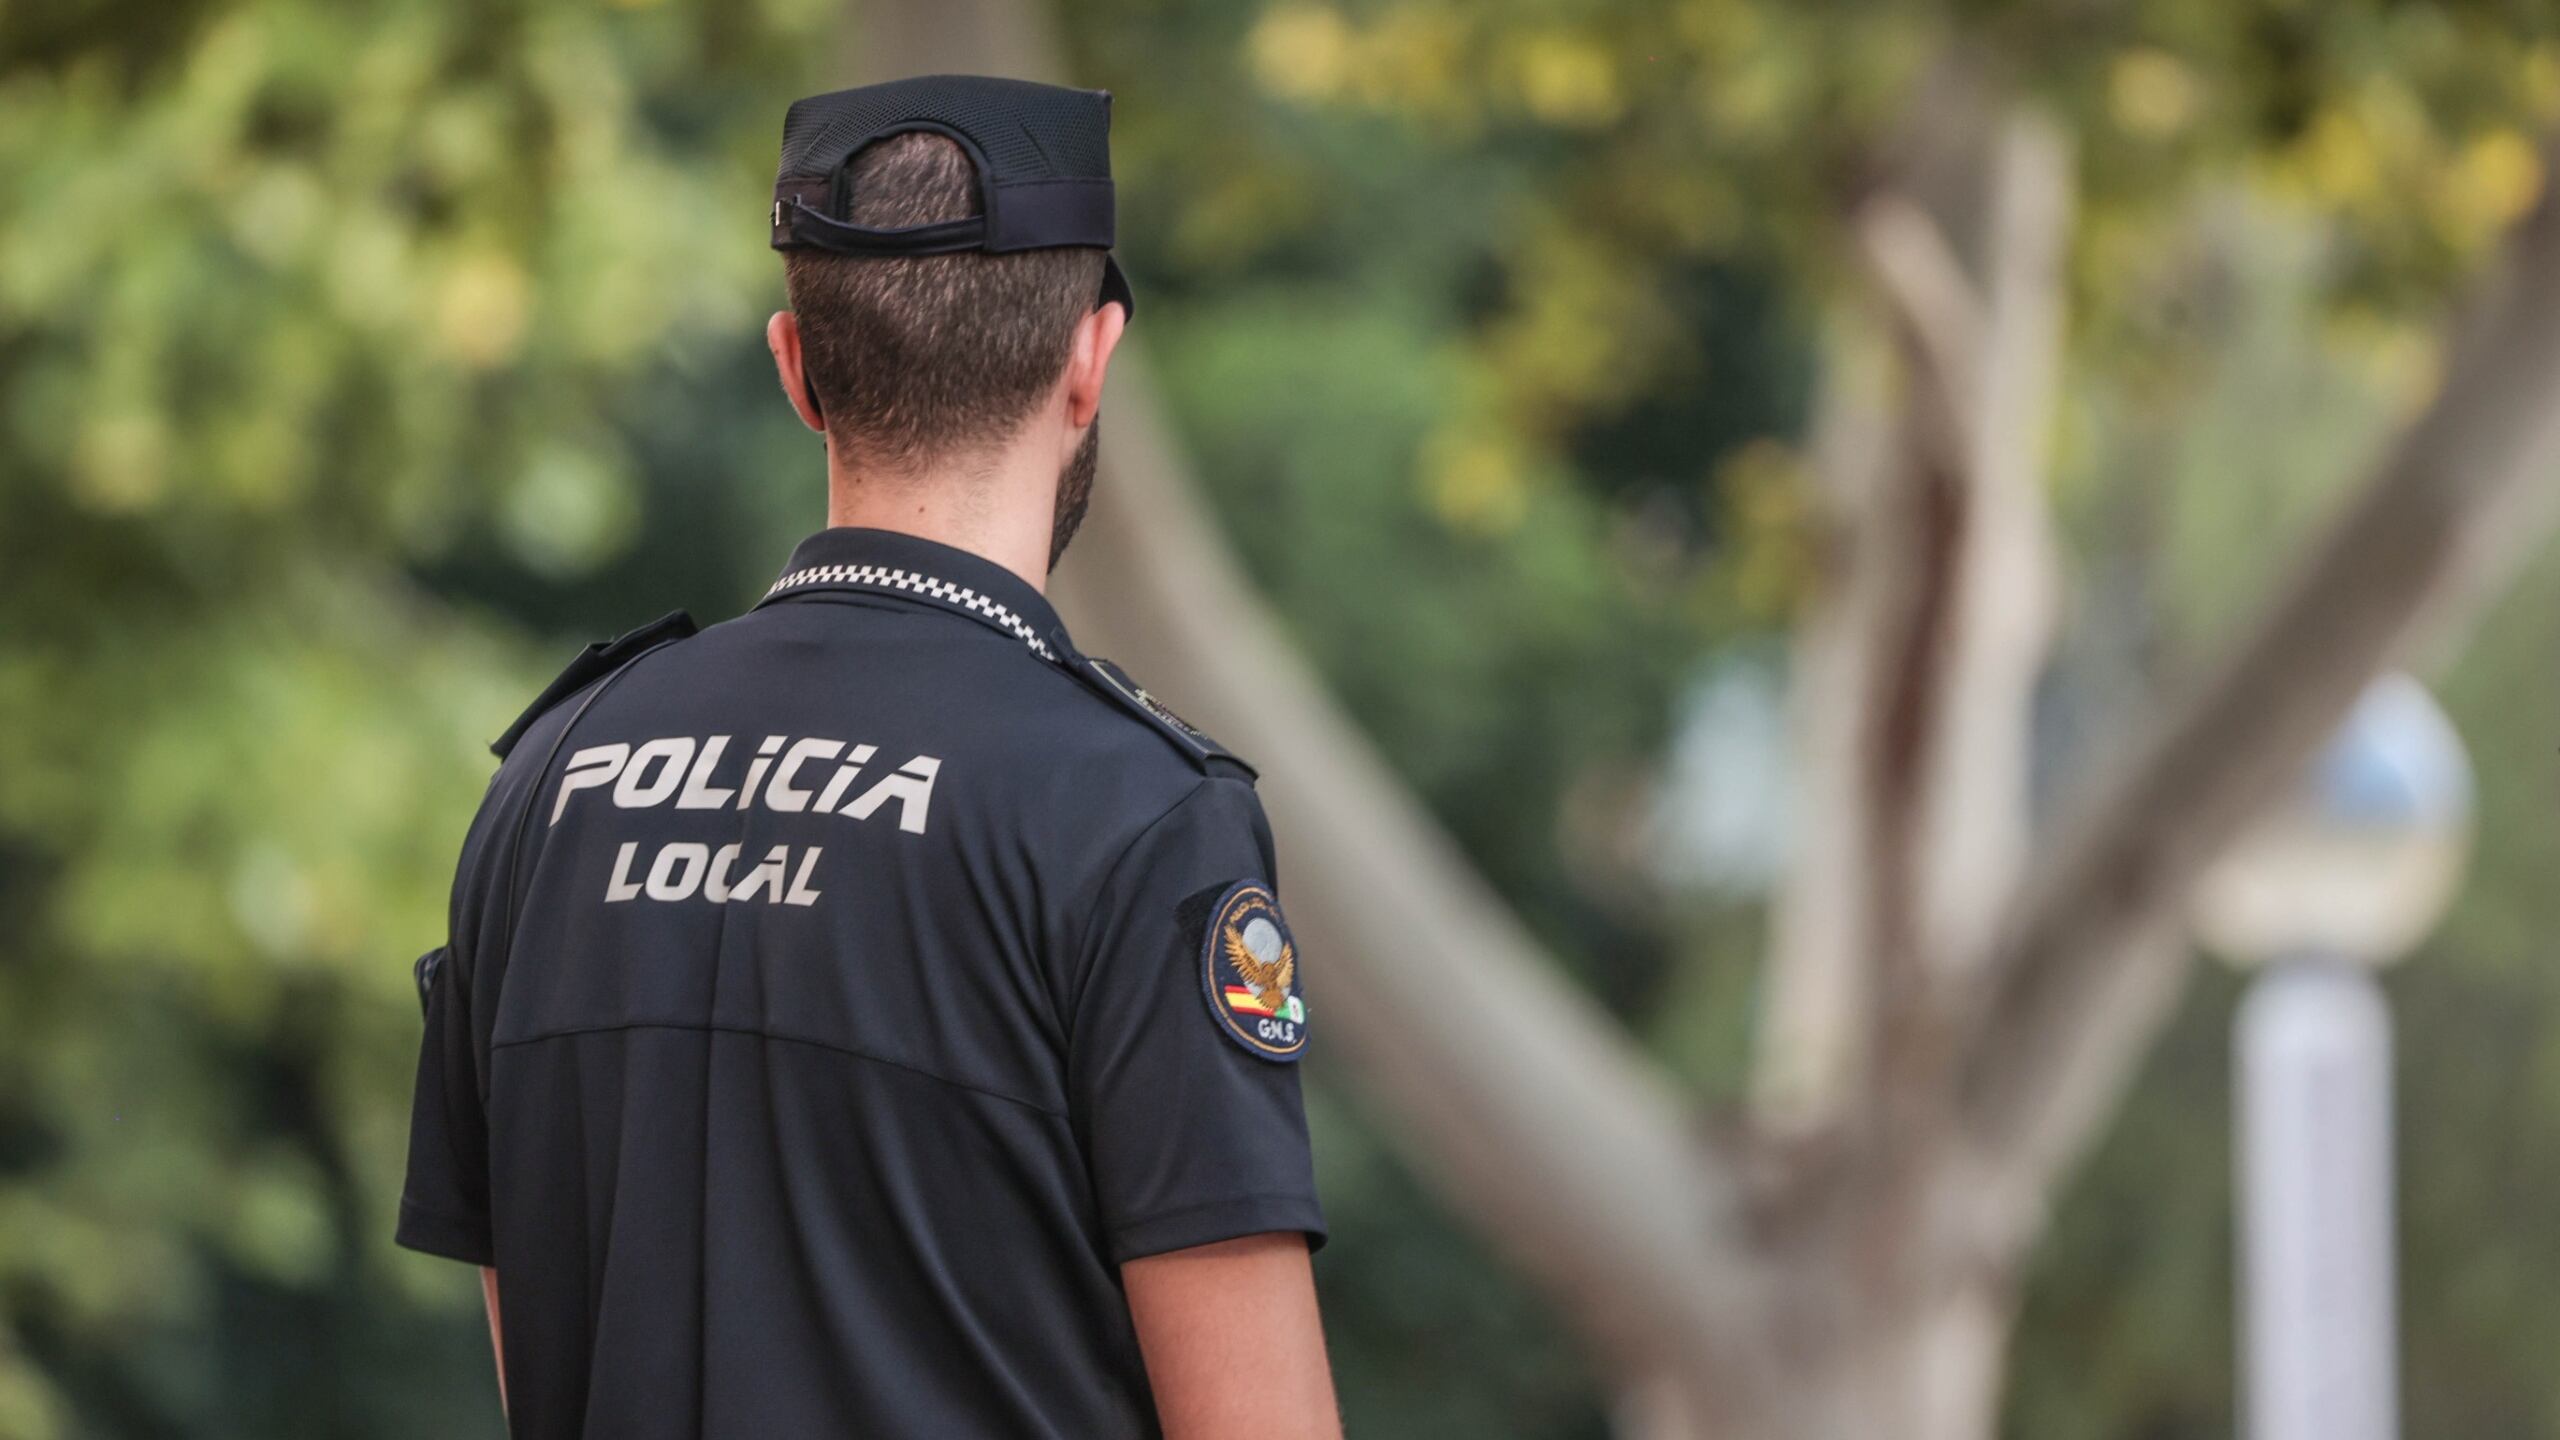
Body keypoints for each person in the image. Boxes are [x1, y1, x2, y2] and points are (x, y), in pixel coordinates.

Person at [395, 74, 1338, 1439]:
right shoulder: (1134, 816)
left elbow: (538, 1366)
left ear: (795, 368)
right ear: (1091, 358)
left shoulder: (552, 779)